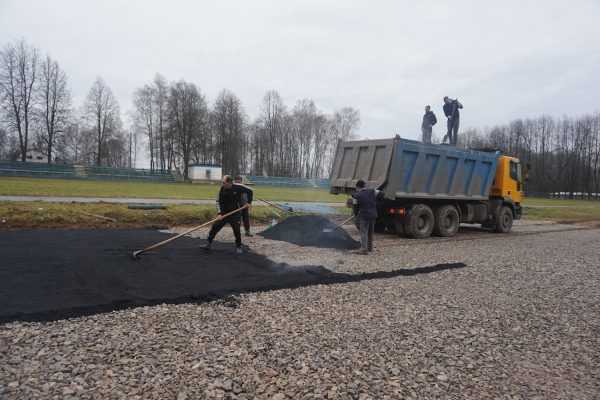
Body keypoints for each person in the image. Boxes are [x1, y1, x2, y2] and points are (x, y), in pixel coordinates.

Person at [205, 175, 253, 254]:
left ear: (229, 183)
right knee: (215, 227)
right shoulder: (222, 189)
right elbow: (218, 202)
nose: (222, 184)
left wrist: (249, 202)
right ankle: (208, 244)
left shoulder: (238, 187)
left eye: (224, 182)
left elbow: (250, 191)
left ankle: (238, 246)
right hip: (224, 213)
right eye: (222, 182)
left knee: (236, 230)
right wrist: (219, 213)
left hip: (235, 213)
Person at [351, 179, 378, 255]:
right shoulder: (372, 191)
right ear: (364, 186)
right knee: (370, 232)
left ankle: (363, 249)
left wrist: (356, 215)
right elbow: (382, 194)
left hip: (364, 216)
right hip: (373, 214)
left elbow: (355, 208)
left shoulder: (356, 196)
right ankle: (370, 248)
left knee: (364, 232)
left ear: (357, 187)